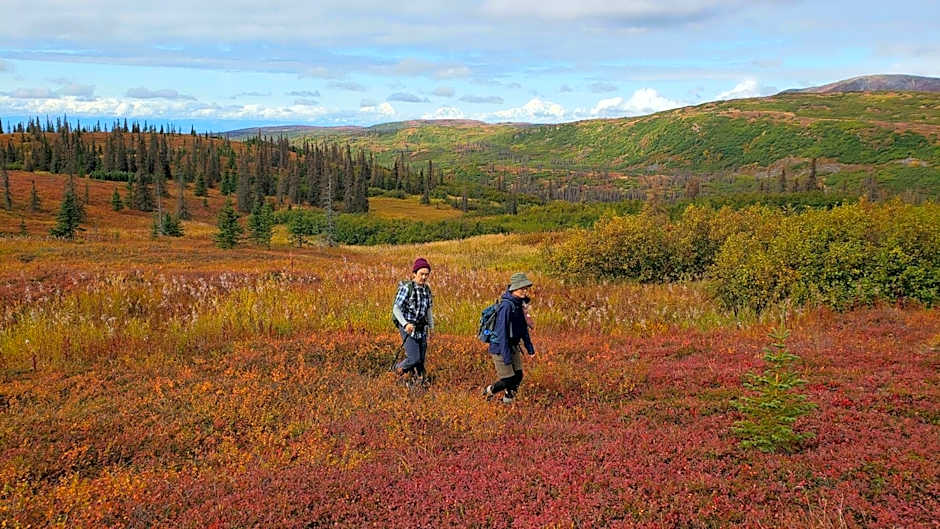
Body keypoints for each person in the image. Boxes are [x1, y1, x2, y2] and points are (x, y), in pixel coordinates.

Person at [483, 272, 535, 404]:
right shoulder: (506, 306)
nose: (525, 291)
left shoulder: (519, 304)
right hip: (500, 347)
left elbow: (523, 328)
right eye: (522, 288)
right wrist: (506, 356)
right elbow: (502, 333)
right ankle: (488, 391)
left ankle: (507, 403)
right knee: (508, 379)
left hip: (513, 345)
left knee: (518, 376)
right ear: (514, 289)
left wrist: (530, 348)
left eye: (526, 288)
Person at [392, 257, 434, 387]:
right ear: (414, 274)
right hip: (408, 327)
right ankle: (395, 371)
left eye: (426, 274)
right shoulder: (406, 288)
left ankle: (419, 383)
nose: (424, 277)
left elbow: (428, 310)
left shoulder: (427, 290)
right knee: (413, 358)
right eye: (421, 274)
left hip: (421, 328)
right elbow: (396, 308)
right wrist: (405, 324)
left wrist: (432, 328)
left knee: (420, 360)